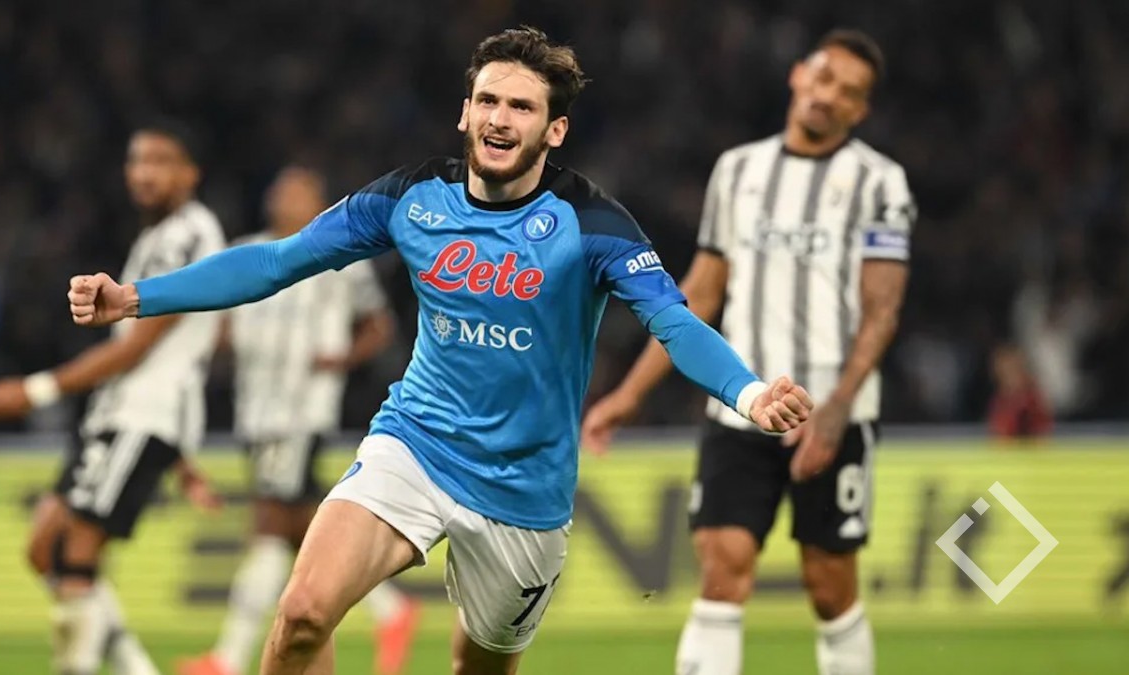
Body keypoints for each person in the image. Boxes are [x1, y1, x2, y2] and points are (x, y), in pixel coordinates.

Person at [65, 28, 813, 675]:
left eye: (521, 107)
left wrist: (749, 394)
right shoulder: (413, 197)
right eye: (487, 100)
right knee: (302, 614)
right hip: (415, 443)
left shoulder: (593, 223)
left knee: (477, 665)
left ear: (554, 131)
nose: (499, 118)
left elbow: (674, 321)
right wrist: (135, 297)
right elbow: (276, 261)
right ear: (465, 112)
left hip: (524, 487)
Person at [582, 29, 914, 675]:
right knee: (721, 567)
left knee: (829, 585)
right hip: (741, 406)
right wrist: (629, 395)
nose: (829, 95)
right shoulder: (738, 170)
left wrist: (837, 410)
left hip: (833, 413)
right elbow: (700, 294)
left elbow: (883, 309)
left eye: (848, 92)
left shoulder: (880, 182)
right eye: (824, 77)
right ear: (799, 75)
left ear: (860, 110)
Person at [0, 121, 226, 675]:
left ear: (190, 173)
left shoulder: (188, 233)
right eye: (136, 161)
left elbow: (140, 345)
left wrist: (35, 390)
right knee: (45, 550)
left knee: (74, 552)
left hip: (145, 412)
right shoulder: (156, 238)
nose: (144, 173)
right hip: (122, 412)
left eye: (160, 161)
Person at [178, 166, 418, 675]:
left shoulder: (342, 258)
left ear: (318, 201)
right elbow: (222, 324)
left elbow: (379, 326)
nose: (284, 198)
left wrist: (341, 360)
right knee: (296, 527)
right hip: (254, 409)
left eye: (298, 192)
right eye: (280, 190)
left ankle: (227, 658)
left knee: (269, 521)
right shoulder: (247, 250)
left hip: (302, 411)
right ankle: (391, 609)